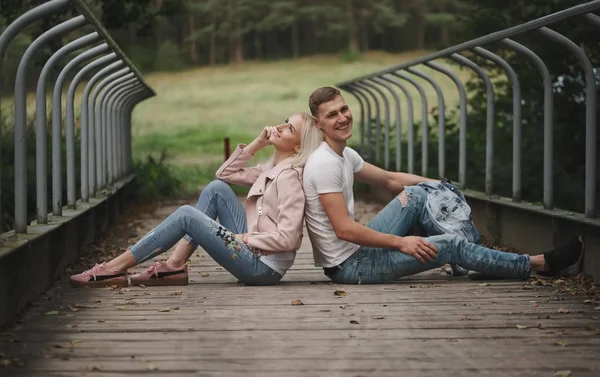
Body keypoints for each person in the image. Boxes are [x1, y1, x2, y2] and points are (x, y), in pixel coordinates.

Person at [303, 86, 584, 284]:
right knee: (448, 244)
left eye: (344, 109)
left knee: (415, 195)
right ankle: (538, 263)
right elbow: (345, 229)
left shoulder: (344, 154)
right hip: (351, 267)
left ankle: (471, 257)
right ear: (318, 124)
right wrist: (402, 243)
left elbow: (390, 180)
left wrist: (436, 184)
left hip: (358, 253)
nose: (342, 118)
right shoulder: (325, 164)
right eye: (332, 115)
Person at [70, 112, 323, 288]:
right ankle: (175, 265)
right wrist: (258, 143)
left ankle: (113, 268)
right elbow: (224, 174)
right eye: (284, 122)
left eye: (289, 129)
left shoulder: (289, 177)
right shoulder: (272, 166)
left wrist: (243, 238)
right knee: (216, 189)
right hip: (252, 250)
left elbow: (289, 239)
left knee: (186, 215)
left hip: (262, 268)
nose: (279, 128)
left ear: (299, 147)